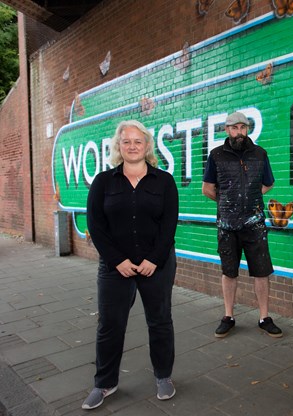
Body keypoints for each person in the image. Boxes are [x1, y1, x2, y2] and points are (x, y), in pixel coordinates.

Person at [83, 120, 179, 410]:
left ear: (147, 146)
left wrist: (154, 259)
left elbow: (169, 225)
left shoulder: (164, 181)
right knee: (110, 325)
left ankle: (163, 376)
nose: (133, 146)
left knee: (160, 321)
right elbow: (96, 226)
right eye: (127, 142)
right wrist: (117, 261)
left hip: (156, 265)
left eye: (138, 141)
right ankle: (105, 383)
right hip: (116, 268)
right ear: (119, 146)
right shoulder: (103, 182)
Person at [202, 111, 283, 338]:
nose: (239, 132)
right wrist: (229, 200)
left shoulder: (259, 154)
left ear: (247, 129)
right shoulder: (216, 156)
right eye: (234, 128)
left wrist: (249, 197)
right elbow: (207, 189)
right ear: (227, 130)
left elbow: (268, 183)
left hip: (255, 224)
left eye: (243, 127)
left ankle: (264, 317)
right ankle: (228, 316)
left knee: (262, 272)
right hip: (227, 226)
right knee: (229, 272)